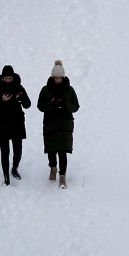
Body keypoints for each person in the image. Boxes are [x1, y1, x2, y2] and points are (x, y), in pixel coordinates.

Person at [38, 61, 79, 189]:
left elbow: (76, 106)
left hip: (65, 125)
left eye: (60, 77)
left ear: (63, 77)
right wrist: (51, 103)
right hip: (50, 124)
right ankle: (53, 168)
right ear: (52, 77)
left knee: (63, 151)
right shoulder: (45, 90)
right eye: (56, 77)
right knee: (51, 150)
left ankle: (62, 176)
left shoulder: (70, 90)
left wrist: (65, 104)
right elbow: (40, 106)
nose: (58, 79)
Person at [0, 65, 32, 185]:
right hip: (2, 122)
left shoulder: (19, 87)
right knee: (4, 152)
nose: (8, 80)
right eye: (6, 78)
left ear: (13, 77)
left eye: (10, 78)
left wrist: (21, 97)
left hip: (17, 122)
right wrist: (2, 100)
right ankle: (6, 175)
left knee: (18, 151)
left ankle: (14, 168)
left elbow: (28, 105)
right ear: (2, 78)